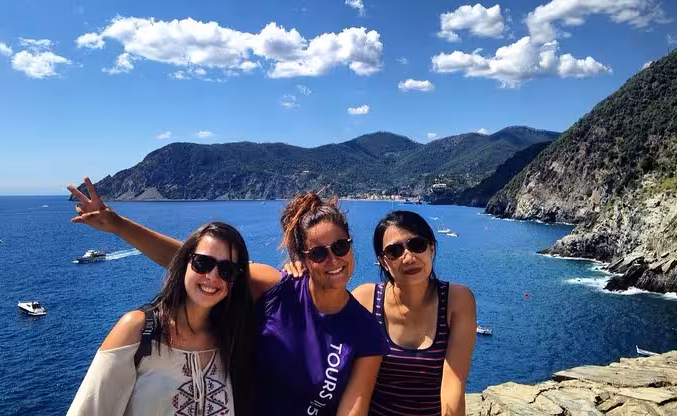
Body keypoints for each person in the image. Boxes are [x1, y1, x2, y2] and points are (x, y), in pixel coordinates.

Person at [68, 178, 387, 416]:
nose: (333, 260)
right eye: (318, 253)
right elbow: (197, 265)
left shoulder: (365, 330)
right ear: (302, 258)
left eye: (341, 247)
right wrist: (118, 225)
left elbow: (353, 409)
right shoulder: (275, 288)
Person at [287, 210, 476, 416]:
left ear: (432, 248)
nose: (408, 257)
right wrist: (303, 274)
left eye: (417, 245)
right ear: (384, 261)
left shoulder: (457, 301)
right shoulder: (366, 299)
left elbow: (453, 386)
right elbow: (319, 337)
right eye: (394, 251)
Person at [67, 221, 255, 416]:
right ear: (185, 263)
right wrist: (117, 223)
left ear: (235, 280)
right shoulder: (137, 330)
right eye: (202, 263)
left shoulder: (232, 341)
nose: (212, 276)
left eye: (227, 270)